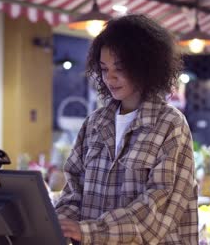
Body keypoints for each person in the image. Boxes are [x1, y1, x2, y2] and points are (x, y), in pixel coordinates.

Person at [55, 14, 198, 244]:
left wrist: (88, 231)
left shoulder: (171, 125)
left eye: (119, 68)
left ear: (144, 66)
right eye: (103, 69)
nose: (109, 77)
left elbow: (156, 214)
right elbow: (73, 192)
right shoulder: (94, 124)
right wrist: (58, 224)